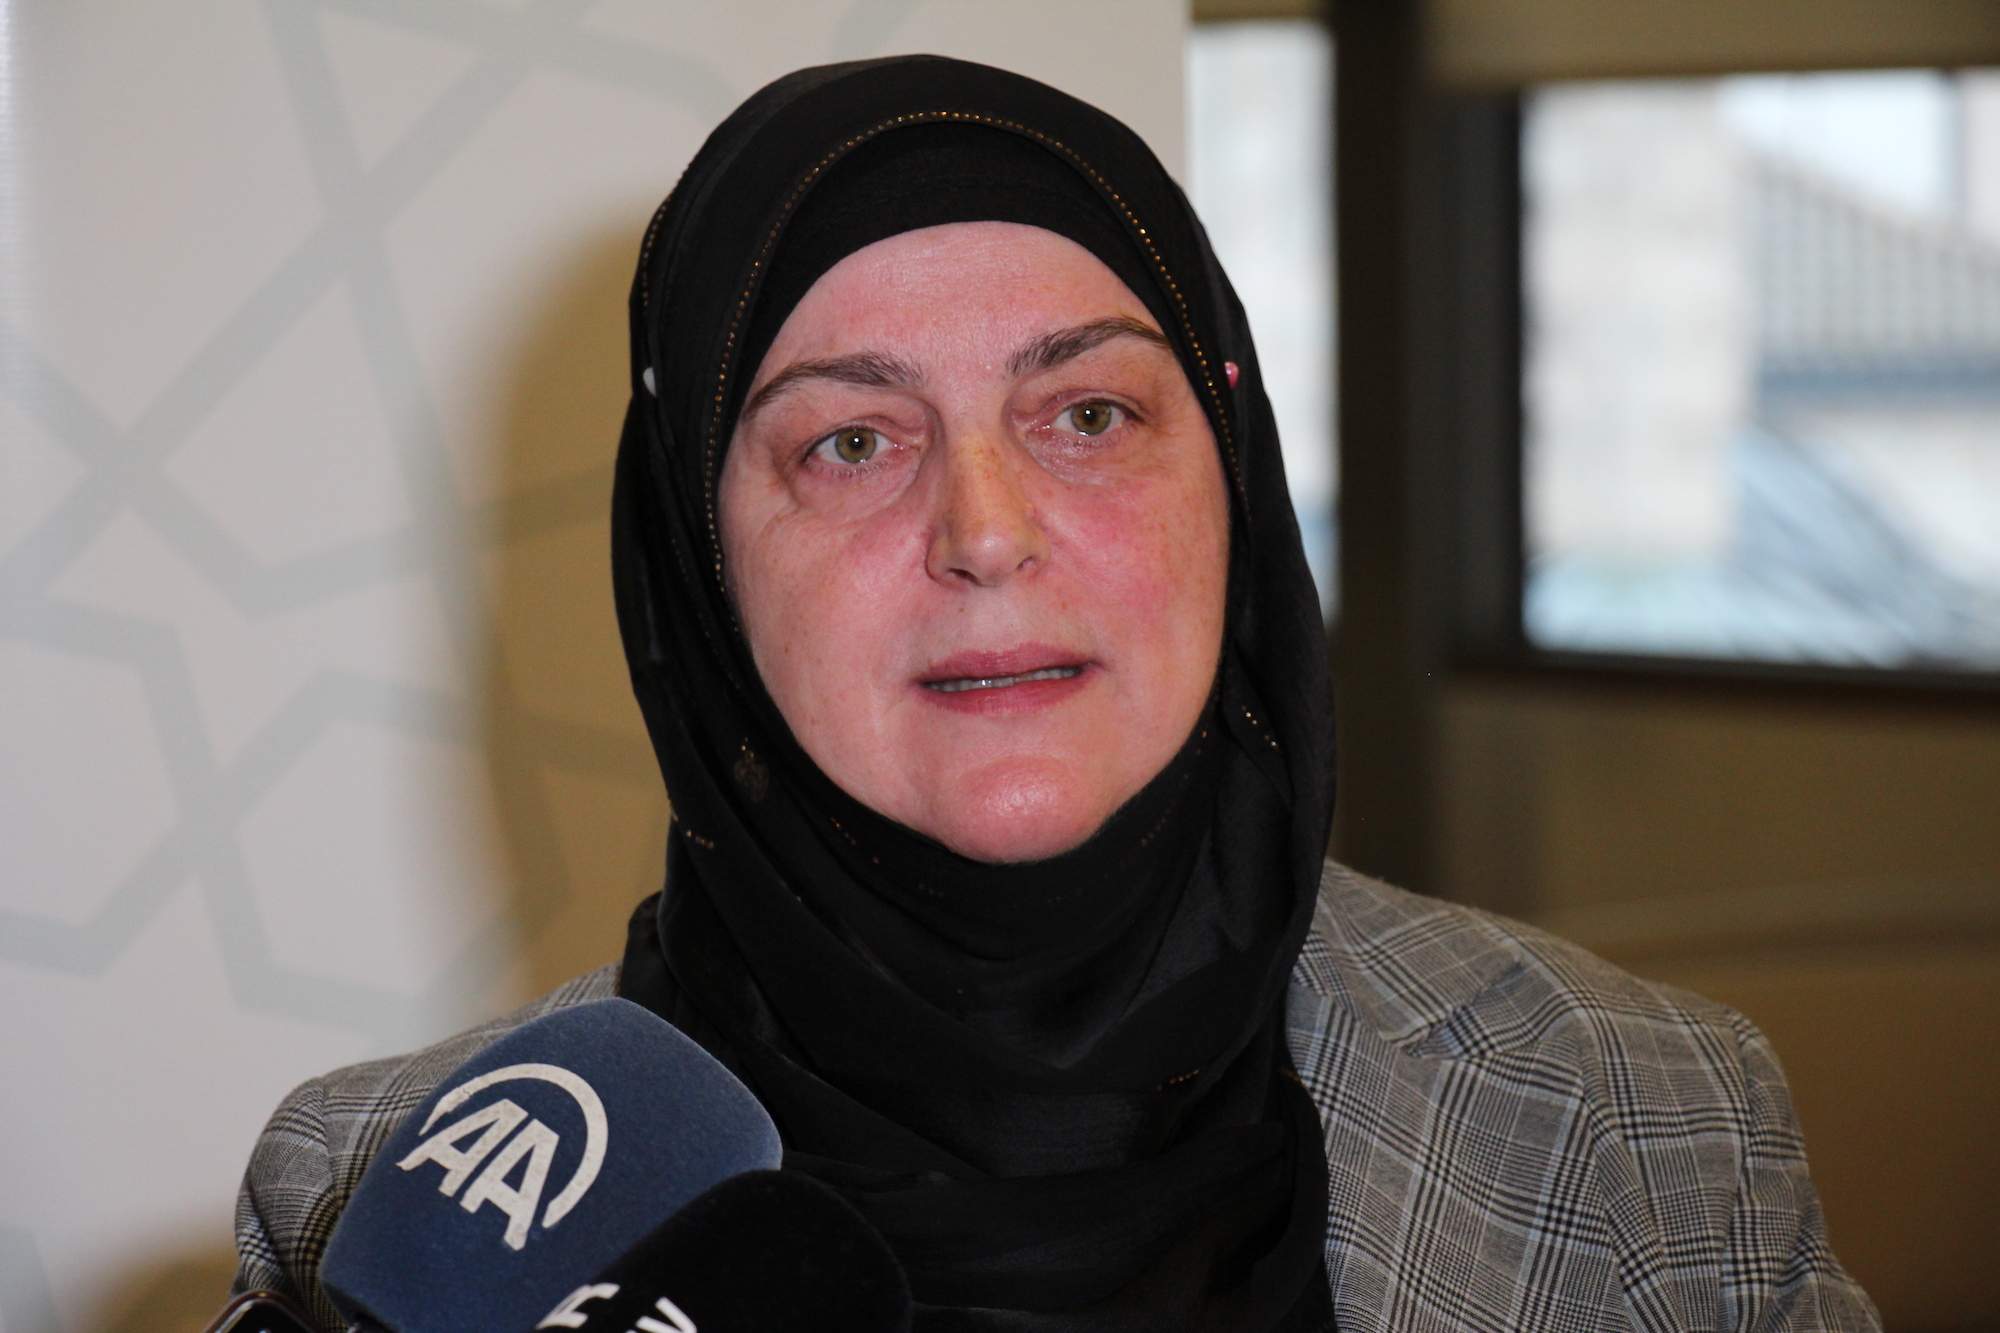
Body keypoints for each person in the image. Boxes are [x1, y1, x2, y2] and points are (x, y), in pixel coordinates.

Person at [231, 55, 1879, 1331]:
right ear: (700, 571)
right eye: (851, 441)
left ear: (1231, 481)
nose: (987, 532)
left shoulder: (1644, 1114)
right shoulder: (374, 1196)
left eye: (1089, 415)